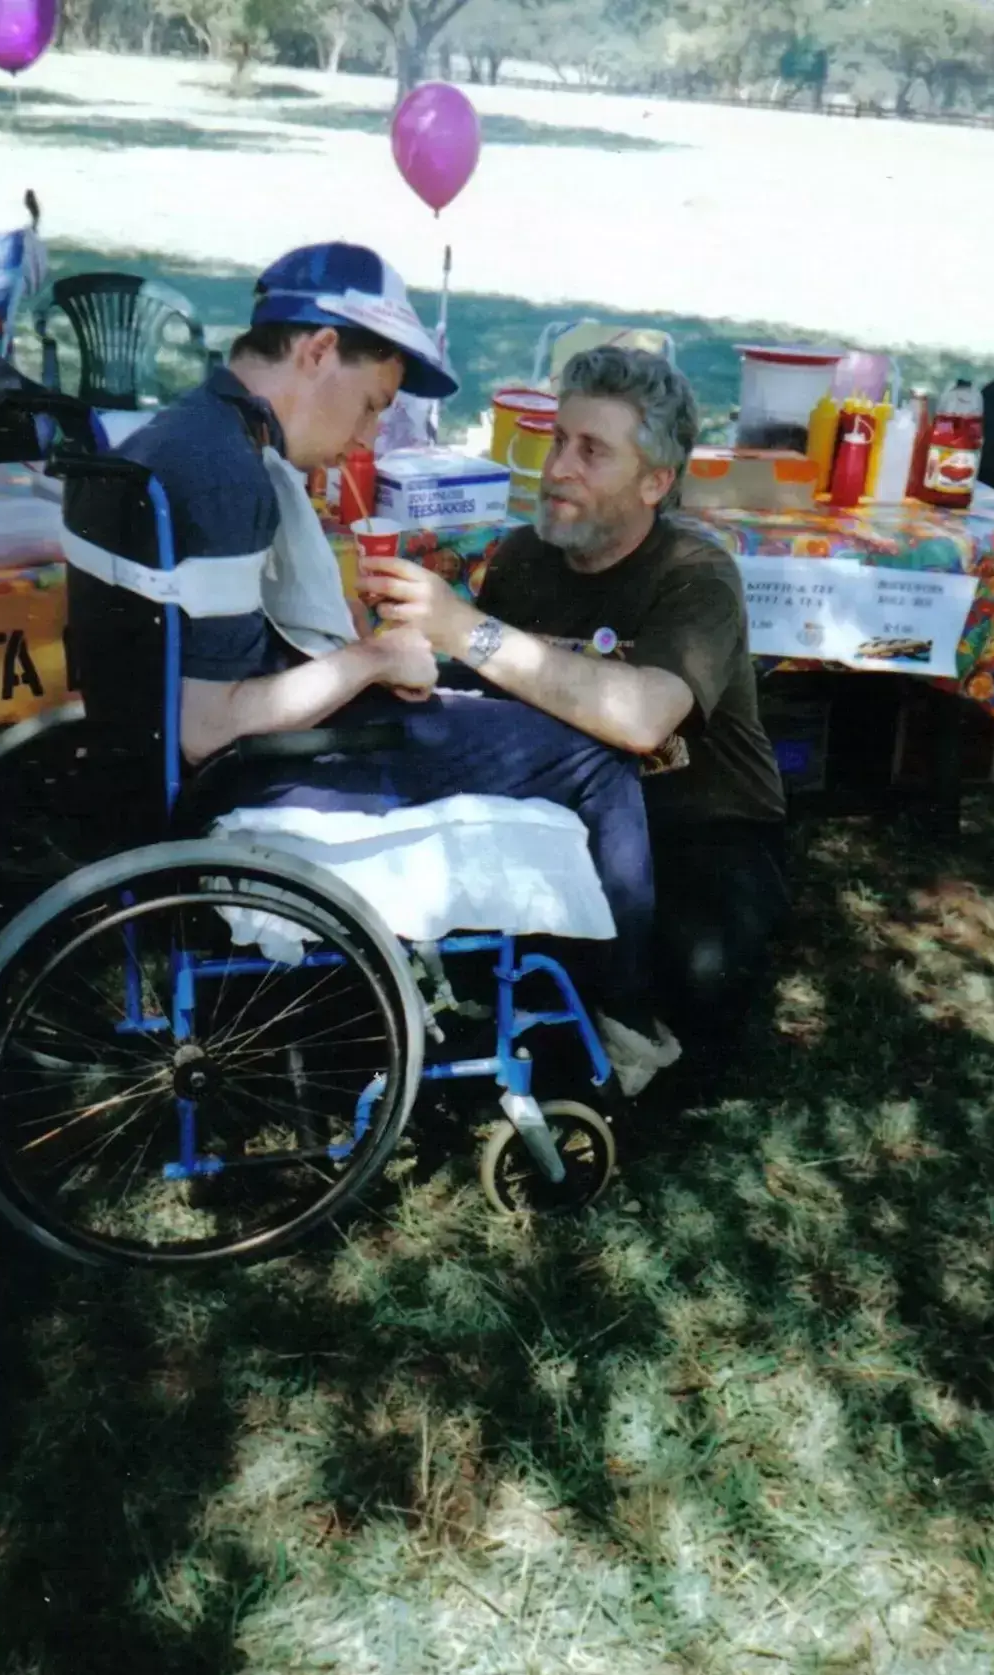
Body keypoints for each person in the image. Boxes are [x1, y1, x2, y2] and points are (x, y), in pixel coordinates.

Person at [108, 243, 679, 1095]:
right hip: (251, 775)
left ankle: (527, 977)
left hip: (173, 757)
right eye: (373, 406)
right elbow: (206, 725)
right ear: (315, 352)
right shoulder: (228, 474)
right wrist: (370, 657)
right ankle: (621, 1023)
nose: (370, 434)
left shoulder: (169, 432)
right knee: (596, 755)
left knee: (489, 709)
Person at [362, 347, 789, 1055]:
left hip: (700, 821)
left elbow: (644, 718)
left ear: (655, 481)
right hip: (567, 810)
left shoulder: (696, 573)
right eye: (559, 440)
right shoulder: (527, 559)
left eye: (592, 452)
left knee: (699, 982)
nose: (558, 468)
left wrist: (465, 628)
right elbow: (497, 695)